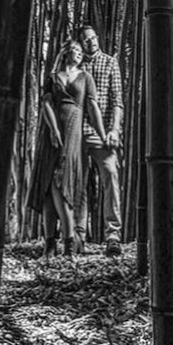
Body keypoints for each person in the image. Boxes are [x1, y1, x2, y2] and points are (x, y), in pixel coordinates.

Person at [27, 39, 107, 258]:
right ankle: (50, 245)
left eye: (81, 51)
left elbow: (92, 107)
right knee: (46, 185)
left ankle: (69, 243)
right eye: (75, 49)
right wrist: (53, 130)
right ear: (65, 52)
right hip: (51, 131)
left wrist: (104, 135)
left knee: (60, 179)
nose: (79, 53)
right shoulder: (52, 78)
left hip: (73, 130)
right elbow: (46, 104)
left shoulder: (86, 77)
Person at [76, 23, 123, 257]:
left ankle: (113, 235)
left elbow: (117, 102)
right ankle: (77, 236)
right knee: (78, 183)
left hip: (103, 134)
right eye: (87, 40)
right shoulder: (74, 64)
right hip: (77, 133)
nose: (92, 42)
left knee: (111, 176)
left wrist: (114, 130)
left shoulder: (110, 62)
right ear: (81, 44)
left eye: (94, 38)